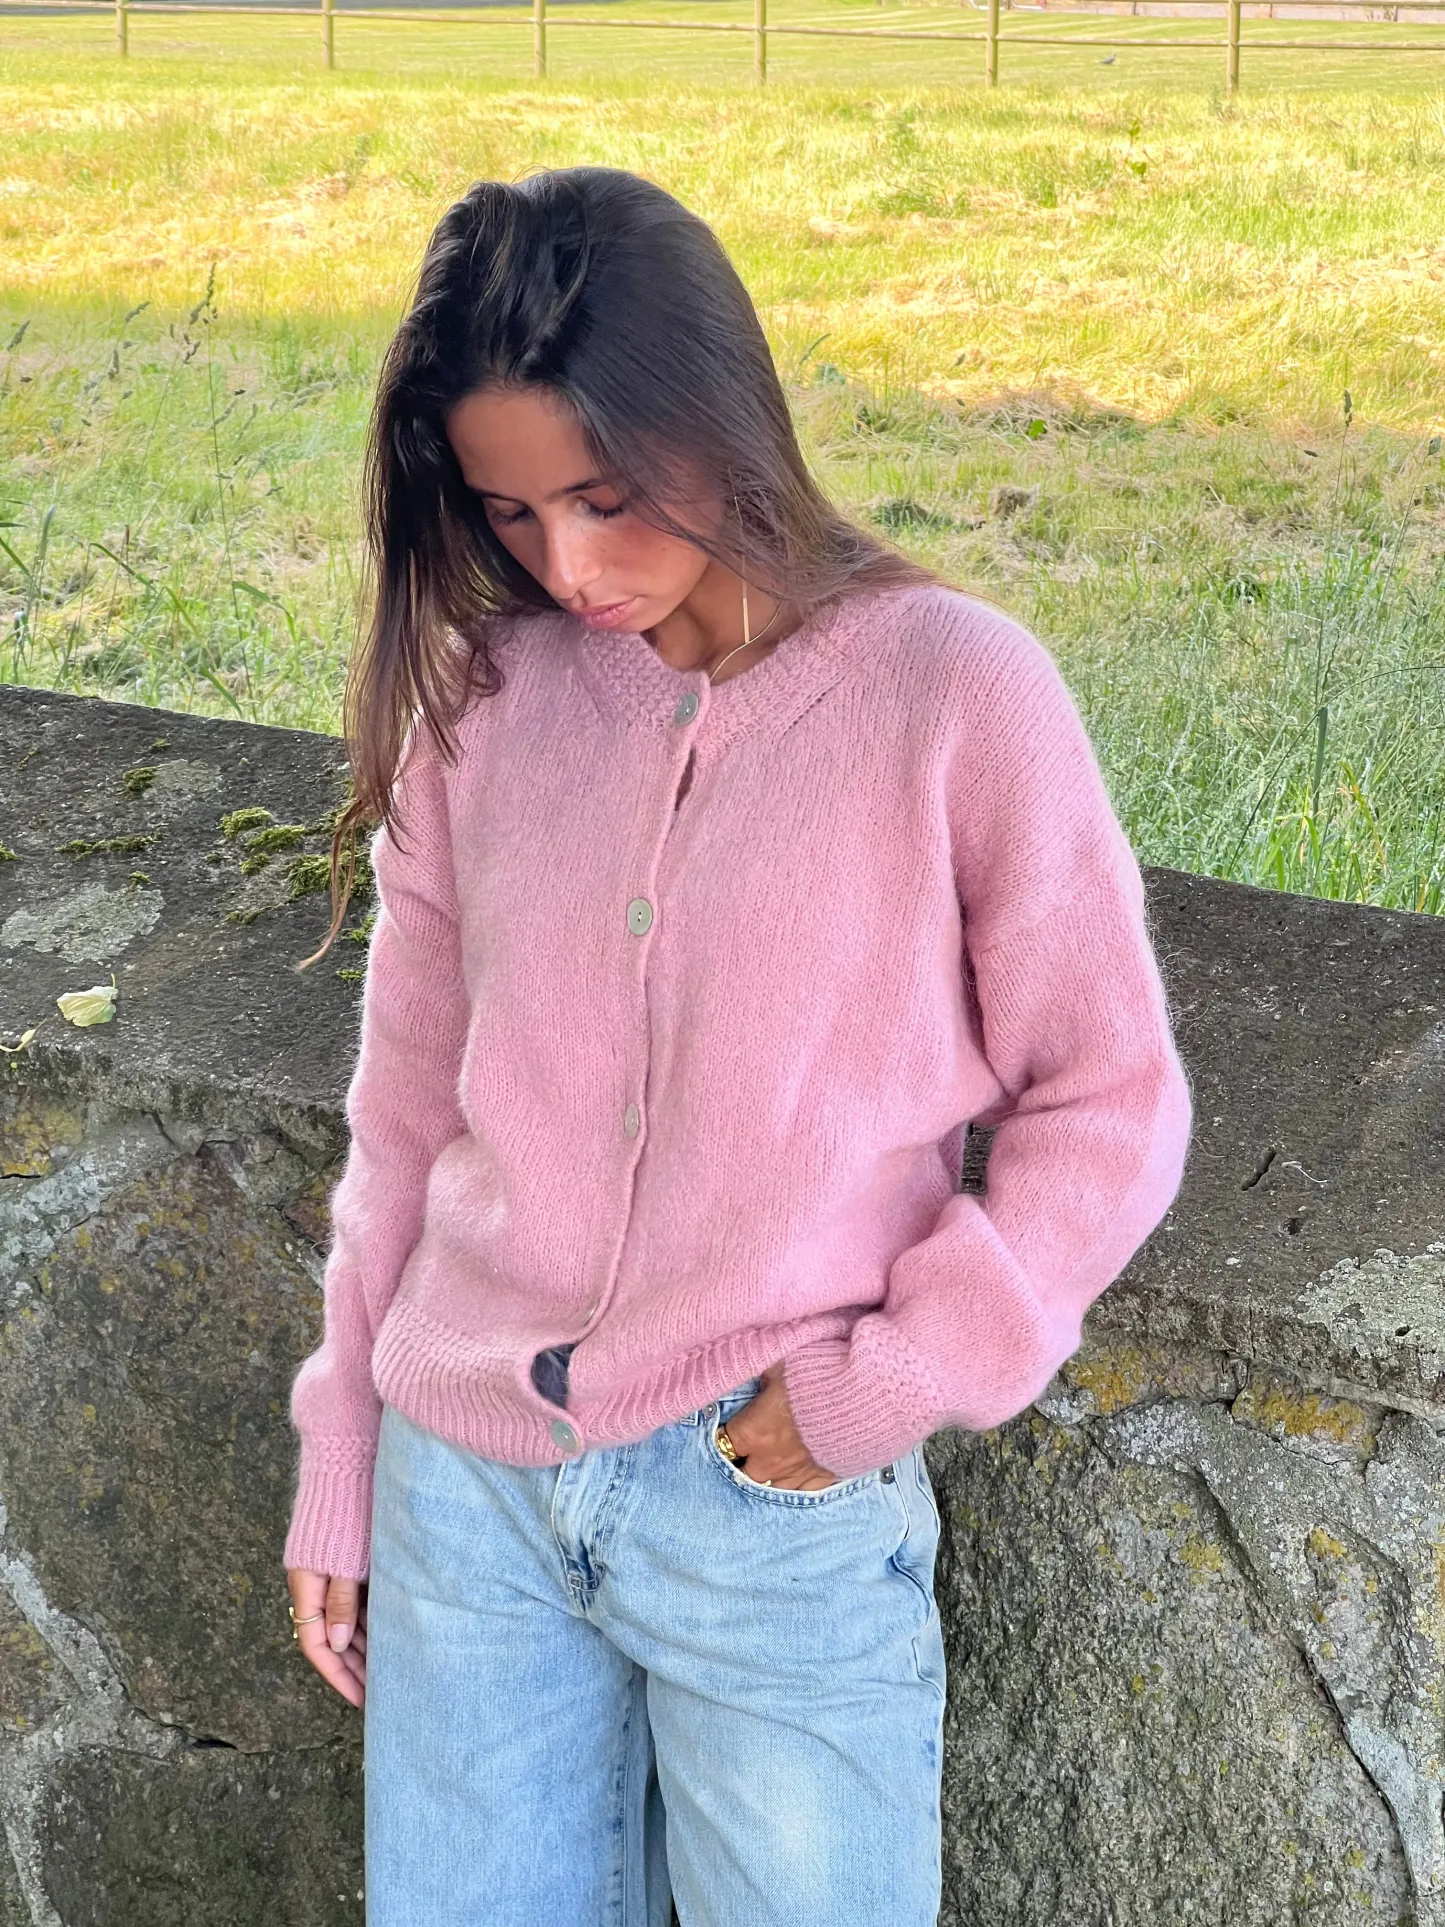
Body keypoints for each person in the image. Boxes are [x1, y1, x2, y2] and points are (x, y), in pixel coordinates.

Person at [281, 164, 1194, 1927]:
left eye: (605, 497)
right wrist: (346, 1453)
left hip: (766, 1495)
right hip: (468, 1495)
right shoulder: (488, 706)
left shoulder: (955, 691)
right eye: (510, 510)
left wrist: (899, 1376)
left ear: (716, 418)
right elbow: (401, 1119)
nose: (567, 565)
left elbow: (1110, 1095)